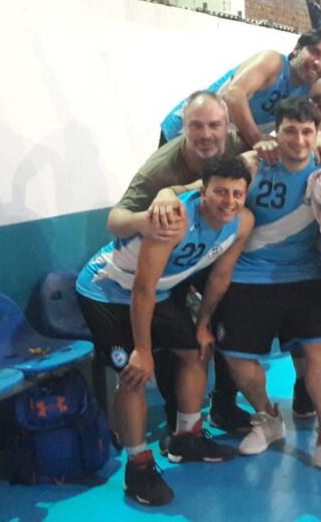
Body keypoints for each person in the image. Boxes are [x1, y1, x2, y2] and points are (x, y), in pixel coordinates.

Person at [75, 157, 255, 506]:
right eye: (221, 192)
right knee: (134, 374)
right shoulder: (176, 221)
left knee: (196, 351)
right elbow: (141, 289)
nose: (229, 201)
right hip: (106, 291)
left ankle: (186, 439)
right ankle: (138, 468)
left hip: (156, 292)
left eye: (237, 194)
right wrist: (143, 351)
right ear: (204, 191)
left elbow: (220, 275)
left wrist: (203, 325)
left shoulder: (242, 222)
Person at [211, 97, 321, 478]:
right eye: (290, 131)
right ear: (275, 132)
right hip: (248, 274)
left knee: (318, 352)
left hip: (304, 274)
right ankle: (268, 417)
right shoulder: (254, 165)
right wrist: (167, 194)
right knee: (236, 358)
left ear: (317, 133)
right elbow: (210, 190)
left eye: (307, 132)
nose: (298, 139)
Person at [110, 91, 261, 443]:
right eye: (196, 126)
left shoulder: (237, 144)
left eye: (214, 125)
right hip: (170, 261)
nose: (207, 134)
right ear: (182, 128)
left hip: (210, 249)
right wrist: (148, 215)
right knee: (172, 334)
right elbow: (114, 220)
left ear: (228, 126)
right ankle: (175, 419)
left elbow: (282, 144)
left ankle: (223, 404)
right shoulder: (159, 168)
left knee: (228, 313)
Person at [159, 30, 321, 149]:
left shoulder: (314, 87)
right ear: (297, 49)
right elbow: (233, 94)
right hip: (184, 130)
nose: (319, 62)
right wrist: (257, 139)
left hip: (219, 143)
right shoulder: (273, 61)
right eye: (314, 52)